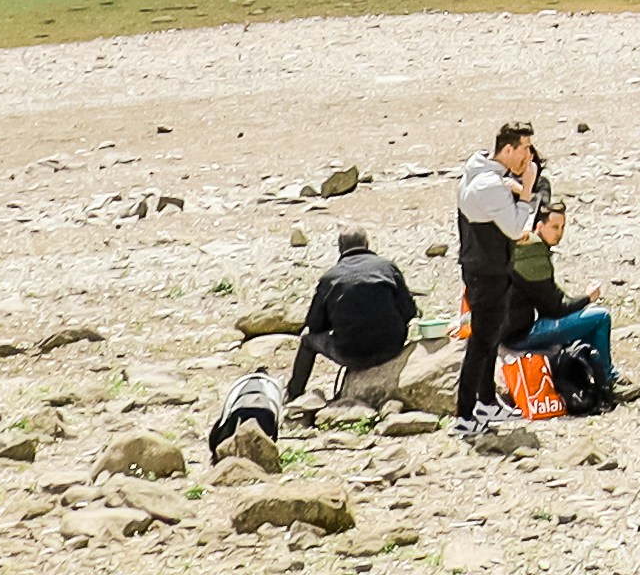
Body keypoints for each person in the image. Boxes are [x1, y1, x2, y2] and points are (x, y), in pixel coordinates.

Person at [211, 230, 428, 456]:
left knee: (307, 341)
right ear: (367, 243)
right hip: (391, 347)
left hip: (349, 353)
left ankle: (294, 393)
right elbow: (409, 310)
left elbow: (314, 325)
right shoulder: (387, 267)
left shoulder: (330, 278)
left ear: (340, 248)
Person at [450, 124, 562, 431]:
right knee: (481, 343)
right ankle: (464, 415)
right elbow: (517, 229)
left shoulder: (477, 171)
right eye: (525, 148)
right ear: (508, 150)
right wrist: (526, 189)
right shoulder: (491, 185)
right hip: (488, 272)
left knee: (489, 337)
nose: (529, 156)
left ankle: (486, 403)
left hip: (478, 266)